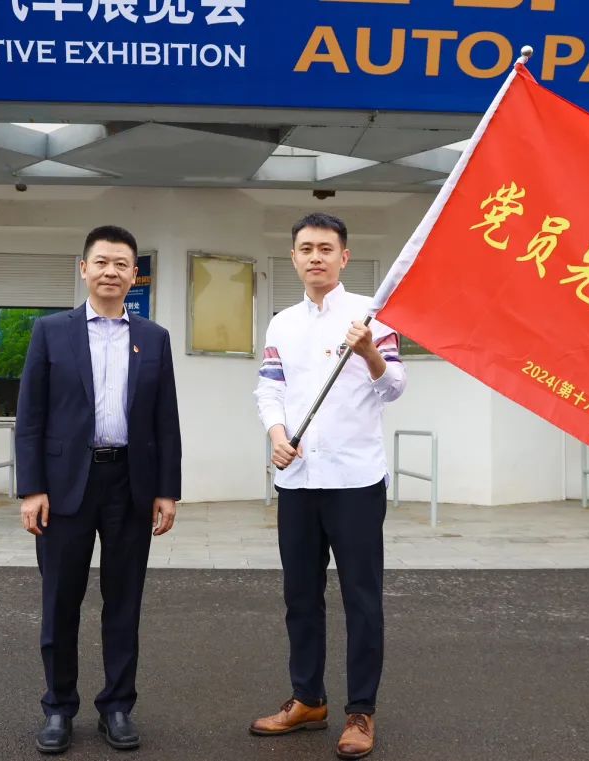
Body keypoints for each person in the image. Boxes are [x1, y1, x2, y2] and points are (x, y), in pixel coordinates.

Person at [15, 225, 181, 755]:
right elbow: (30, 416)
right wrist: (31, 488)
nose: (111, 271)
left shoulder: (153, 337)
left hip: (130, 483)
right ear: (83, 268)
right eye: (102, 262)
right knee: (60, 600)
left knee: (124, 600)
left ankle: (117, 706)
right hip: (66, 485)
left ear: (135, 275)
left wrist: (167, 489)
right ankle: (58, 708)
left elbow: (165, 420)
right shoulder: (51, 332)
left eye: (122, 264)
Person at [251, 212, 406, 760]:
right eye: (306, 248)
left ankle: (360, 711)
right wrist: (277, 436)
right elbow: (270, 389)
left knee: (361, 598)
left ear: (344, 256)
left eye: (325, 248)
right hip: (298, 480)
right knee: (300, 596)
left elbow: (396, 387)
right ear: (294, 257)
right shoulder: (282, 323)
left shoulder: (372, 316)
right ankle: (307, 699)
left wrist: (369, 352)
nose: (315, 256)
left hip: (355, 481)